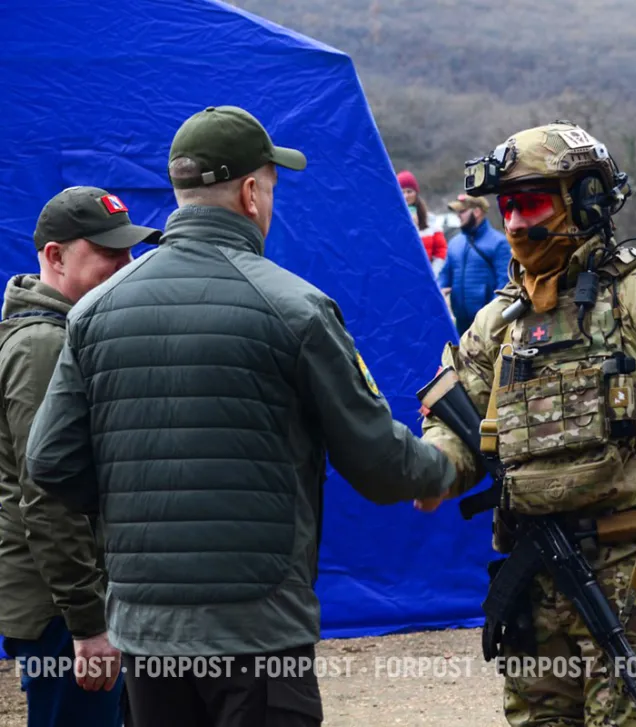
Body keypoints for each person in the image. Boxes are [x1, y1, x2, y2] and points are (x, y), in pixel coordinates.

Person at [24, 105, 455, 727]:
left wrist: (136, 508)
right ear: (252, 193)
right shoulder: (295, 308)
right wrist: (440, 469)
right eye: (271, 187)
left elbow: (50, 463)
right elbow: (379, 462)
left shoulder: (94, 313)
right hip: (258, 628)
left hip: (146, 632)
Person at [418, 121, 636, 725]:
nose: (516, 224)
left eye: (532, 203)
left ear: (585, 201)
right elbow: (457, 424)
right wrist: (433, 469)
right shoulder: (500, 324)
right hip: (533, 576)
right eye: (508, 207)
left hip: (635, 581)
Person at [0, 186, 160, 727]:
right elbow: (48, 497)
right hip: (63, 611)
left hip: (77, 597)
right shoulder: (43, 347)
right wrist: (88, 624)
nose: (126, 265)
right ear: (55, 256)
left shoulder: (73, 333)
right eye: (109, 251)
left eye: (129, 250)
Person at [438, 193, 511, 335]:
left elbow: (505, 284)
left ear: (477, 212)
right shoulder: (454, 243)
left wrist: (492, 317)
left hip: (488, 324)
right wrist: (440, 289)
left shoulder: (499, 243)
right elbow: (445, 275)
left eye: (462, 211)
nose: (458, 216)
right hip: (461, 323)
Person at [397, 170, 447, 277]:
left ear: (416, 193)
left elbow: (441, 250)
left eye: (409, 191)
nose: (405, 196)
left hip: (425, 278)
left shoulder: (430, 220)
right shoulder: (392, 221)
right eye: (402, 192)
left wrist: (433, 274)